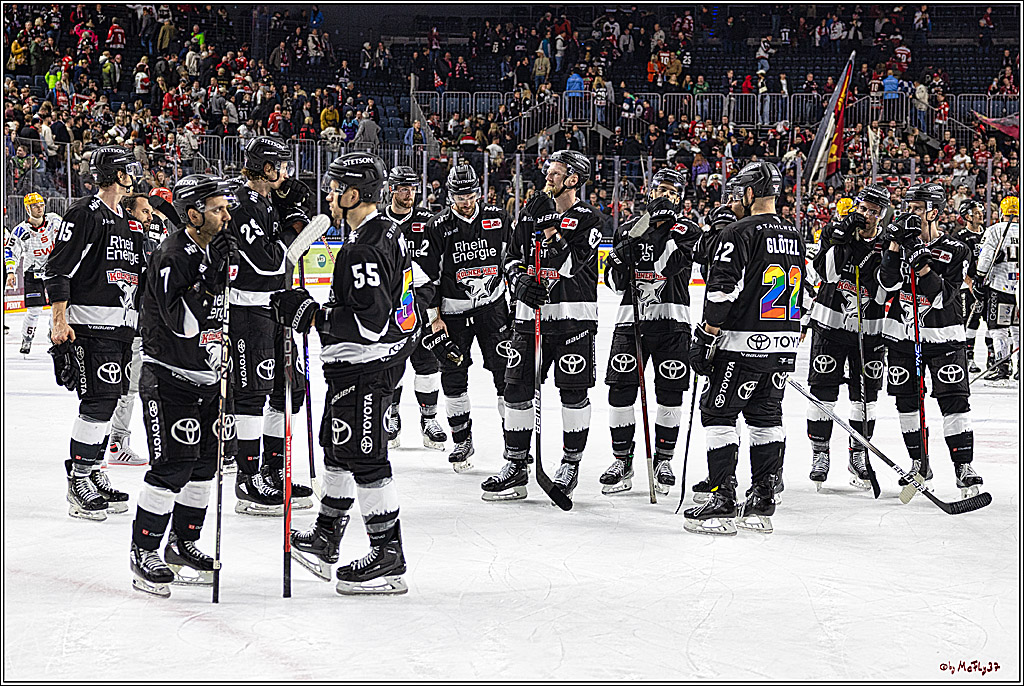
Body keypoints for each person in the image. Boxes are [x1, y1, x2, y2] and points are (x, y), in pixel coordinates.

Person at [272, 152, 417, 595]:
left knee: (366, 455)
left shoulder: (363, 247)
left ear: (353, 194)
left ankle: (388, 555)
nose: (330, 195)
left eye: (336, 188)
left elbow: (369, 323)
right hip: (368, 363)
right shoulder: (385, 231)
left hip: (367, 367)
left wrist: (311, 316)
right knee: (335, 447)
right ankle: (326, 535)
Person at [129, 174, 237, 598]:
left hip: (207, 379)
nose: (226, 215)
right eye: (217, 209)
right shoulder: (173, 255)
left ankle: (183, 543)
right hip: (169, 378)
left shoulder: (212, 248)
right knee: (172, 468)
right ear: (193, 215)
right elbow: (183, 324)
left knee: (203, 468)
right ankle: (144, 550)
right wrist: (209, 283)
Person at [684, 161, 802, 535]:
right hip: (780, 346)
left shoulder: (739, 231)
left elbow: (722, 289)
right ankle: (762, 501)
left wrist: (706, 333)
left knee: (718, 414)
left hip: (739, 346)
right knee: (766, 418)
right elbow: (807, 291)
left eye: (739, 192)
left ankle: (721, 500)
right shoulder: (795, 234)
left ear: (751, 193)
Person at [484, 150, 603, 502]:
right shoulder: (529, 213)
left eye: (555, 173)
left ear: (573, 179)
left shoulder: (589, 218)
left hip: (574, 321)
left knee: (573, 393)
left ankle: (570, 464)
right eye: (547, 171)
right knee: (517, 391)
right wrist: (519, 282)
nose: (547, 177)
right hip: (528, 319)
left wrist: (550, 227)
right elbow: (510, 257)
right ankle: (517, 465)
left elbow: (570, 265)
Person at [44, 147, 144, 521]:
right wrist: (59, 319)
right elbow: (57, 269)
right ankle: (79, 478)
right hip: (89, 326)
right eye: (126, 170)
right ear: (114, 174)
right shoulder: (84, 213)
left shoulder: (128, 219)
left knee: (110, 402)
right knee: (98, 404)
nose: (131, 175)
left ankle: (94, 470)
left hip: (120, 329)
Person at [225, 136, 312, 516]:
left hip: (275, 308)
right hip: (248, 311)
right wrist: (298, 235)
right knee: (250, 395)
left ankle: (272, 470)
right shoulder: (242, 206)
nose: (287, 172)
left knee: (289, 390)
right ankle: (246, 479)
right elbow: (269, 261)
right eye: (282, 165)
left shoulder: (266, 201)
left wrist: (295, 216)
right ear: (266, 168)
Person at [599, 168, 698, 495]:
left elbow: (671, 266)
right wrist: (619, 256)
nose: (666, 196)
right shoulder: (629, 228)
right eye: (661, 189)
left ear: (680, 198)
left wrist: (658, 234)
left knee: (670, 394)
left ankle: (663, 460)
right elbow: (614, 283)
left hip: (673, 322)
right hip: (632, 321)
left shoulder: (688, 230)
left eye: (672, 192)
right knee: (620, 391)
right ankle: (622, 460)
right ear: (650, 190)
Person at [879, 183, 982, 497]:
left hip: (944, 336)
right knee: (907, 401)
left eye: (919, 207)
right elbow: (887, 283)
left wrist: (922, 265)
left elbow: (941, 297)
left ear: (934, 211)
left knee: (954, 400)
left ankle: (963, 466)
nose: (912, 212)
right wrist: (896, 247)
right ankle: (918, 463)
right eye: (910, 206)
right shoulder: (895, 241)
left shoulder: (955, 248)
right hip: (903, 336)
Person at [421, 164, 515, 471]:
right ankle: (462, 439)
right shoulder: (438, 226)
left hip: (493, 309)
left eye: (471, 193)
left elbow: (512, 261)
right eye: (460, 195)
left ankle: (513, 441)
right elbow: (427, 278)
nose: (467, 200)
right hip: (454, 315)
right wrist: (434, 317)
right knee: (453, 377)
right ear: (449, 195)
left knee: (506, 376)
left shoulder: (497, 218)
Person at [804, 184, 891, 490]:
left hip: (869, 333)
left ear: (881, 215)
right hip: (829, 327)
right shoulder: (833, 231)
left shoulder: (887, 243)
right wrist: (840, 241)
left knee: (865, 398)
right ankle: (820, 453)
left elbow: (885, 290)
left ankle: (858, 454)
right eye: (863, 208)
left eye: (873, 211)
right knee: (823, 391)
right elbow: (825, 274)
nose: (866, 215)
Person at [382, 166, 448, 452]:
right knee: (392, 366)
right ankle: (392, 416)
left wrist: (435, 312)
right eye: (403, 188)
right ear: (391, 190)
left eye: (413, 188)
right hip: (387, 307)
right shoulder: (376, 220)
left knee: (428, 366)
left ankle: (429, 419)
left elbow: (440, 267)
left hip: (422, 303)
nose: (410, 194)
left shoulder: (427, 221)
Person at [105, 192, 167, 467]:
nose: (149, 217)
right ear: (128, 212)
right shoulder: (118, 241)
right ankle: (114, 443)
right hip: (122, 327)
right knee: (123, 389)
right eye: (144, 212)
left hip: (141, 326)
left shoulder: (148, 241)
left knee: (129, 388)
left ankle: (115, 443)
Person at [4, 193, 61, 356]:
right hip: (33, 273)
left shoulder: (55, 220)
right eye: (35, 206)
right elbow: (11, 252)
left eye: (41, 205)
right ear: (27, 208)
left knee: (57, 308)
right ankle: (27, 339)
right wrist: (10, 272)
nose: (39, 208)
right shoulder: (21, 230)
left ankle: (53, 337)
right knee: (34, 310)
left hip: (54, 273)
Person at [973, 196, 1019, 385]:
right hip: (1020, 289)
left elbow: (985, 259)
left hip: (1000, 287)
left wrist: (979, 277)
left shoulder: (995, 230)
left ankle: (1002, 366)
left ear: (1001, 212)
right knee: (1018, 329)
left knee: (998, 329)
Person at [956, 200, 987, 373]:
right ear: (967, 216)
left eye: (981, 211)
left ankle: (993, 360)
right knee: (969, 321)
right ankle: (968, 358)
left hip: (986, 286)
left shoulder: (989, 233)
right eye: (976, 212)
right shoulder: (960, 237)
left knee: (990, 322)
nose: (981, 214)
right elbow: (959, 264)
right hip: (967, 286)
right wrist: (969, 283)